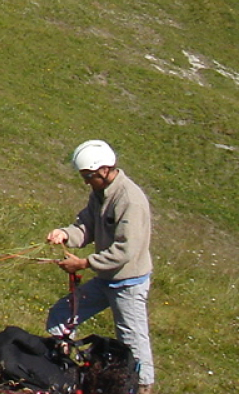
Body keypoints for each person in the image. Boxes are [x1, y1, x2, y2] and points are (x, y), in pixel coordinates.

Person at [44, 140, 155, 393]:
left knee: (132, 340)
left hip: (128, 283)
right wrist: (64, 234)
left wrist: (83, 263)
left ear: (105, 170)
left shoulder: (131, 201)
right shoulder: (100, 194)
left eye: (89, 176)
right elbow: (86, 226)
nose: (86, 182)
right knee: (61, 315)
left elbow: (125, 251)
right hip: (105, 278)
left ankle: (142, 387)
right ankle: (64, 370)